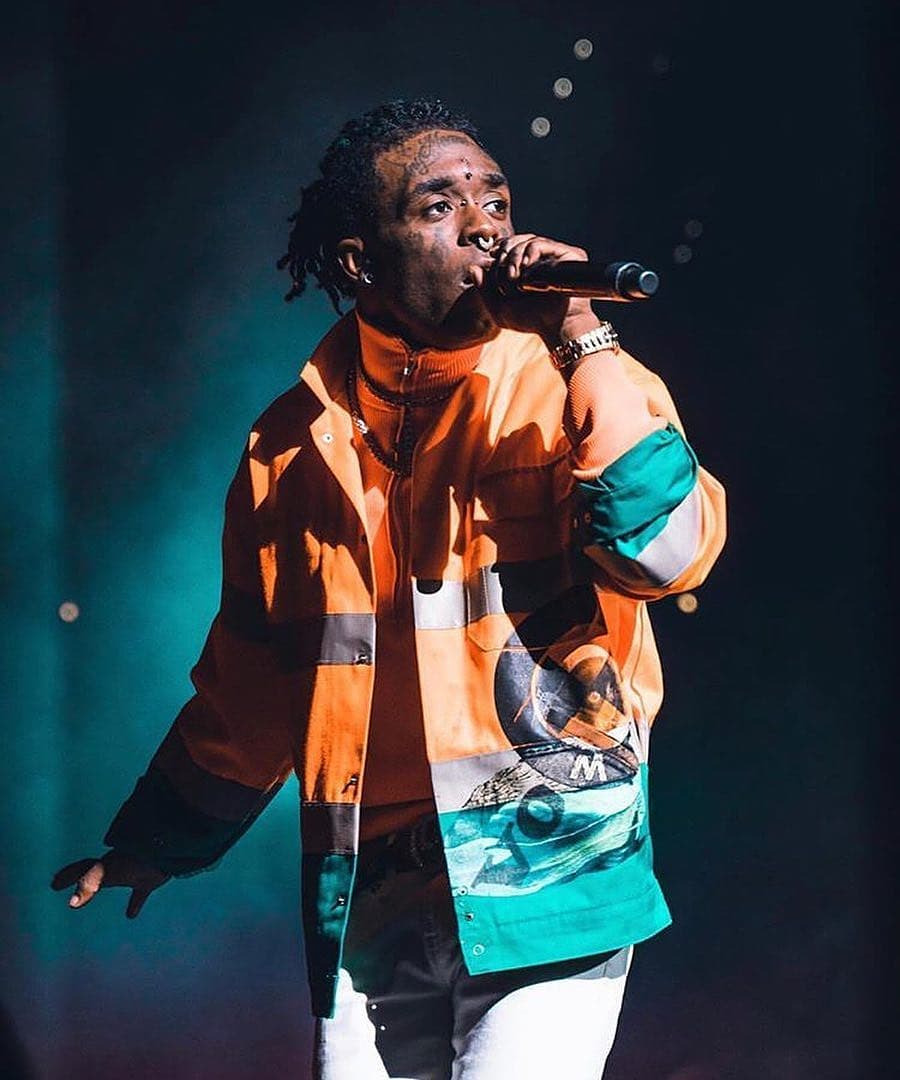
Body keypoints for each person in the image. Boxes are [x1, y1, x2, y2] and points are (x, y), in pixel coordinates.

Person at [53, 98, 726, 1079]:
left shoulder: (580, 378)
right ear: (360, 259)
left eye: (496, 201)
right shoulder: (289, 448)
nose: (484, 227)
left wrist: (582, 334)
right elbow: (254, 682)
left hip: (546, 862)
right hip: (367, 890)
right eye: (440, 206)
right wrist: (162, 840)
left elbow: (665, 554)